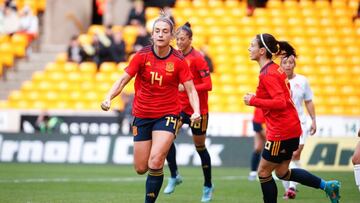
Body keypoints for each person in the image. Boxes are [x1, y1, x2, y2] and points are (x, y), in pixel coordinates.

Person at [101, 13, 201, 203]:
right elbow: (123, 80)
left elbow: (191, 89)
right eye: (157, 31)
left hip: (168, 114)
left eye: (165, 31)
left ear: (171, 36)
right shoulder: (141, 56)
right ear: (152, 35)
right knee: (141, 168)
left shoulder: (179, 60)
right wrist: (108, 97)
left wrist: (196, 110)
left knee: (155, 161)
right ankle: (162, 163)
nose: (161, 35)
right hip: (142, 114)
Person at [243, 33, 340, 203]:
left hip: (280, 132)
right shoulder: (274, 68)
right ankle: (327, 186)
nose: (249, 48)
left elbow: (280, 102)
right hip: (291, 129)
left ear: (261, 51)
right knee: (282, 173)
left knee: (263, 173)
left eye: (252, 45)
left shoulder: (268, 73)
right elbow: (279, 98)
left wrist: (253, 100)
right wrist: (258, 97)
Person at [163, 22, 214, 202]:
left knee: (200, 147)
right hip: (177, 108)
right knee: (166, 139)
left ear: (190, 40)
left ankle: (208, 185)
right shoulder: (174, 56)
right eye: (177, 38)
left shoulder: (198, 58)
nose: (178, 42)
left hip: (198, 109)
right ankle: (175, 175)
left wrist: (186, 88)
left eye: (182, 39)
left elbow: (208, 85)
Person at [279, 42, 317, 199]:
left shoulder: (302, 81)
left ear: (294, 64)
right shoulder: (277, 80)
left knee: (295, 154)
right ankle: (288, 189)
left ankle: (292, 188)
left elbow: (308, 101)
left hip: (300, 123)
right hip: (281, 125)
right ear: (280, 64)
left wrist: (314, 120)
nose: (288, 65)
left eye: (290, 62)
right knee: (282, 160)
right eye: (285, 62)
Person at [248, 107, 266, 181]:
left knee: (273, 147)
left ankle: (271, 171)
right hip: (259, 123)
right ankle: (253, 172)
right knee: (258, 148)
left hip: (269, 124)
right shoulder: (260, 102)